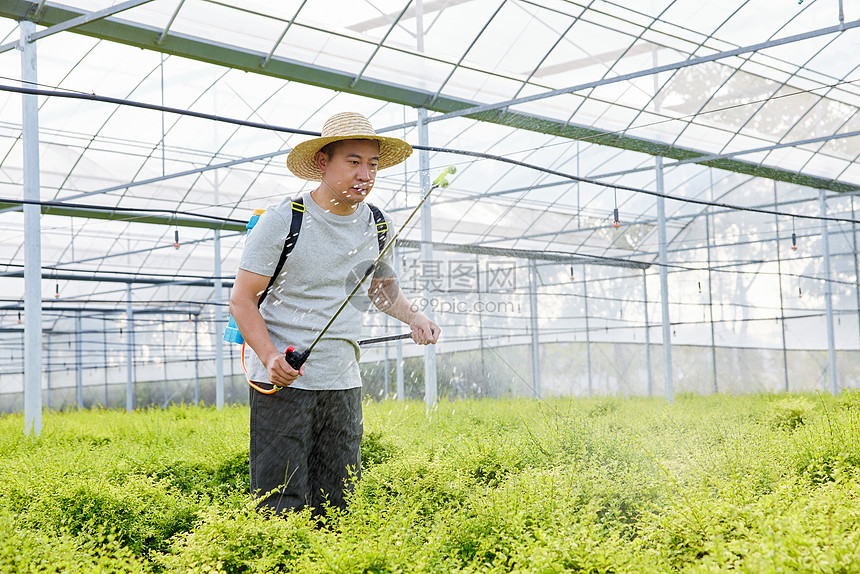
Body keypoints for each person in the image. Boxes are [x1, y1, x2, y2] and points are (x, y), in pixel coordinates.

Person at [229, 111, 440, 516]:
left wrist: (414, 316)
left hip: (342, 382)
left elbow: (381, 291)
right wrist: (271, 357)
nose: (365, 174)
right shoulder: (283, 221)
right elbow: (242, 299)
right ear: (323, 163)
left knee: (339, 501)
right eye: (354, 161)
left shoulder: (378, 224)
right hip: (284, 383)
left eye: (373, 164)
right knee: (280, 501)